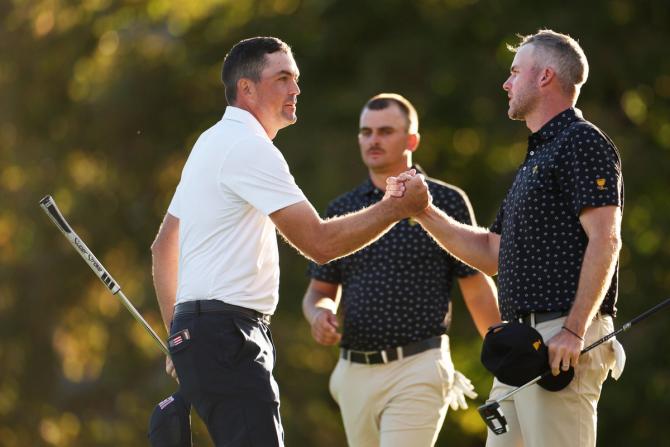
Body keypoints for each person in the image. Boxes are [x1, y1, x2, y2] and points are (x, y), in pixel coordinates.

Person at [150, 37, 430, 447]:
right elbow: (319, 242)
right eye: (282, 79)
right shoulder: (249, 147)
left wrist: (179, 335)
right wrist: (395, 208)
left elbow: (162, 248)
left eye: (295, 79)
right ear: (247, 89)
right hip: (229, 335)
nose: (296, 90)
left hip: (206, 334)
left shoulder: (208, 143)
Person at [387, 30, 625, 447]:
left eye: (515, 72)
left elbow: (606, 239)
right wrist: (421, 210)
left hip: (560, 341)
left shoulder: (582, 141)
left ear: (545, 76)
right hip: (522, 348)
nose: (506, 82)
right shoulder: (537, 156)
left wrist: (572, 329)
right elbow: (490, 254)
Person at [302, 93, 501, 447]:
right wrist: (319, 315)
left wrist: (506, 357)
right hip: (353, 372)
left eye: (385, 131)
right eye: (366, 132)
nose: (373, 140)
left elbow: (476, 286)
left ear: (411, 140)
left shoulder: (446, 200)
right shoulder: (341, 208)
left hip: (419, 367)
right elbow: (319, 293)